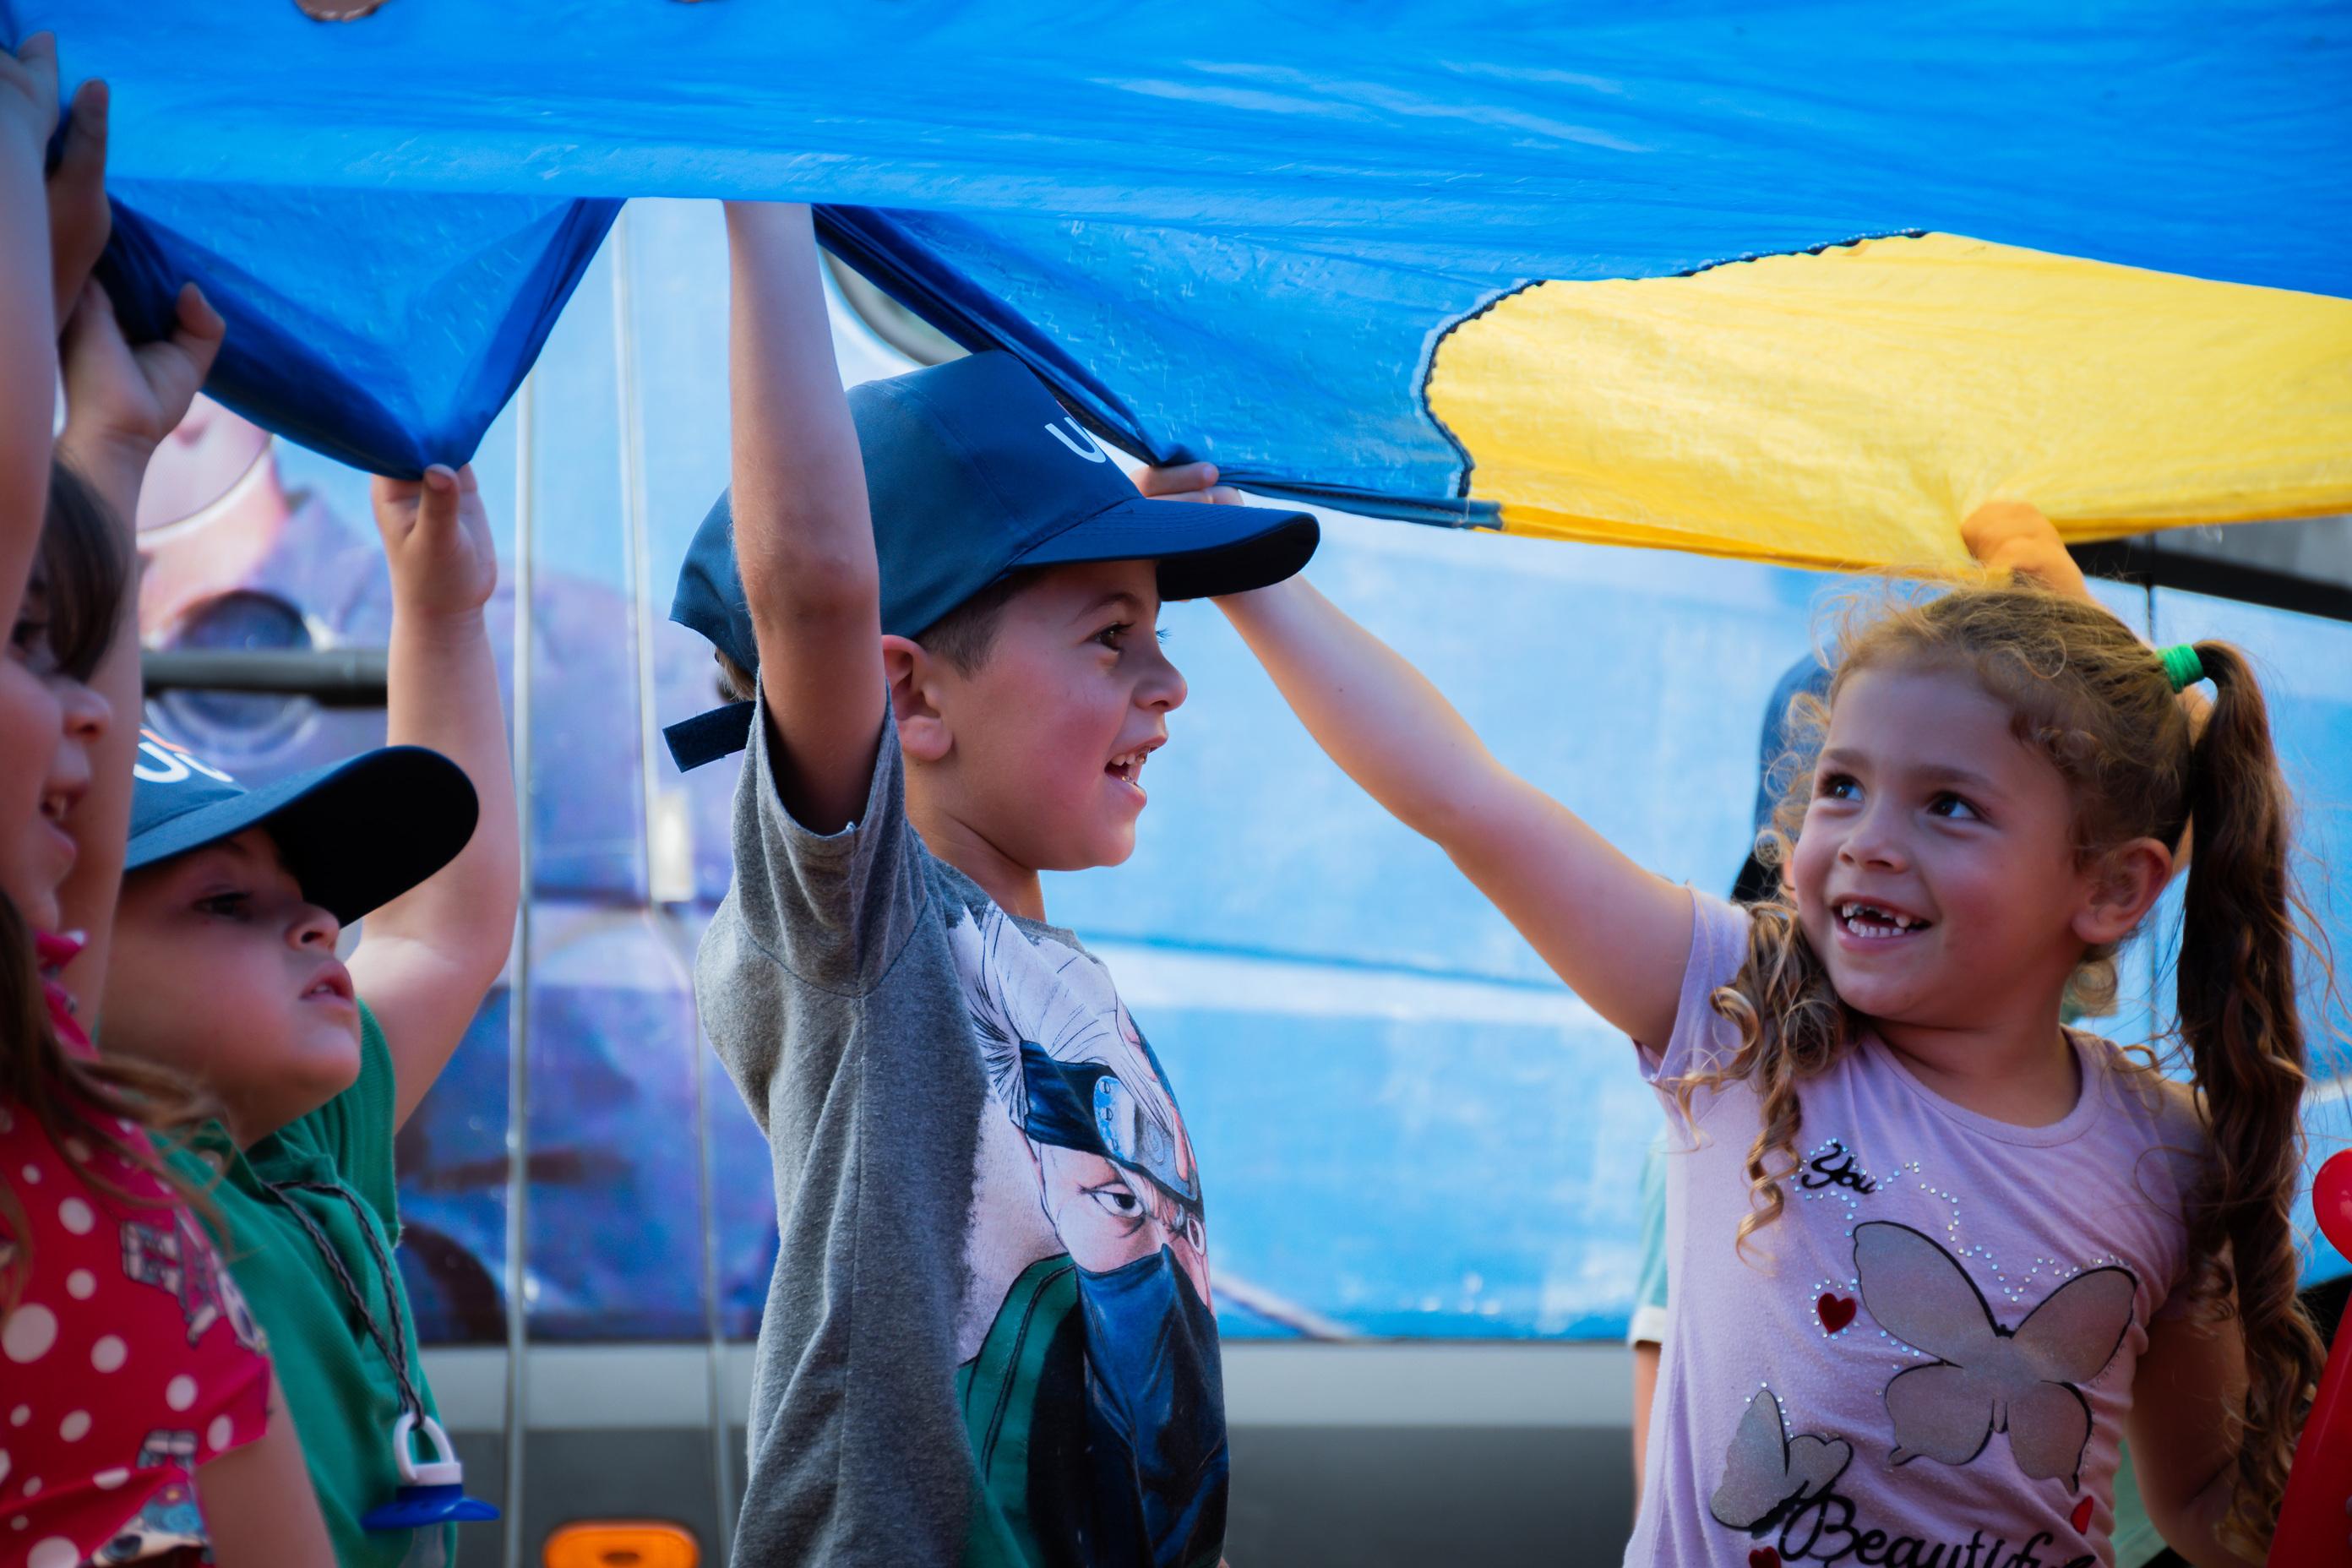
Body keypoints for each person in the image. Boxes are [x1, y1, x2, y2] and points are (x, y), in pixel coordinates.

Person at [1166, 463, 2315, 1561]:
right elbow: (1469, 799)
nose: (1867, 839)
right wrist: (1245, 570)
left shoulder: (2163, 1155)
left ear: (2113, 887)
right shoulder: (1742, 1020)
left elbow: (2208, 1496)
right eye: (1843, 786)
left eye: (1950, 806)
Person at [663, 200, 1316, 1566]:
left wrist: (1124, 537)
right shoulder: (864, 930)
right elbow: (820, 590)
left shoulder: (1040, 962)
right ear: (905, 695)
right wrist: (765, 195)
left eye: (1155, 627)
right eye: (1110, 636)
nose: (1172, 681)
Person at [34, 237, 519, 1562]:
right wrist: (112, 457)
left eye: (303, 897)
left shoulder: (299, 1152)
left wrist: (443, 613)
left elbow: (446, 927)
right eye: (222, 906)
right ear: (54, 960)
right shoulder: (103, 1166)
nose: (317, 925)